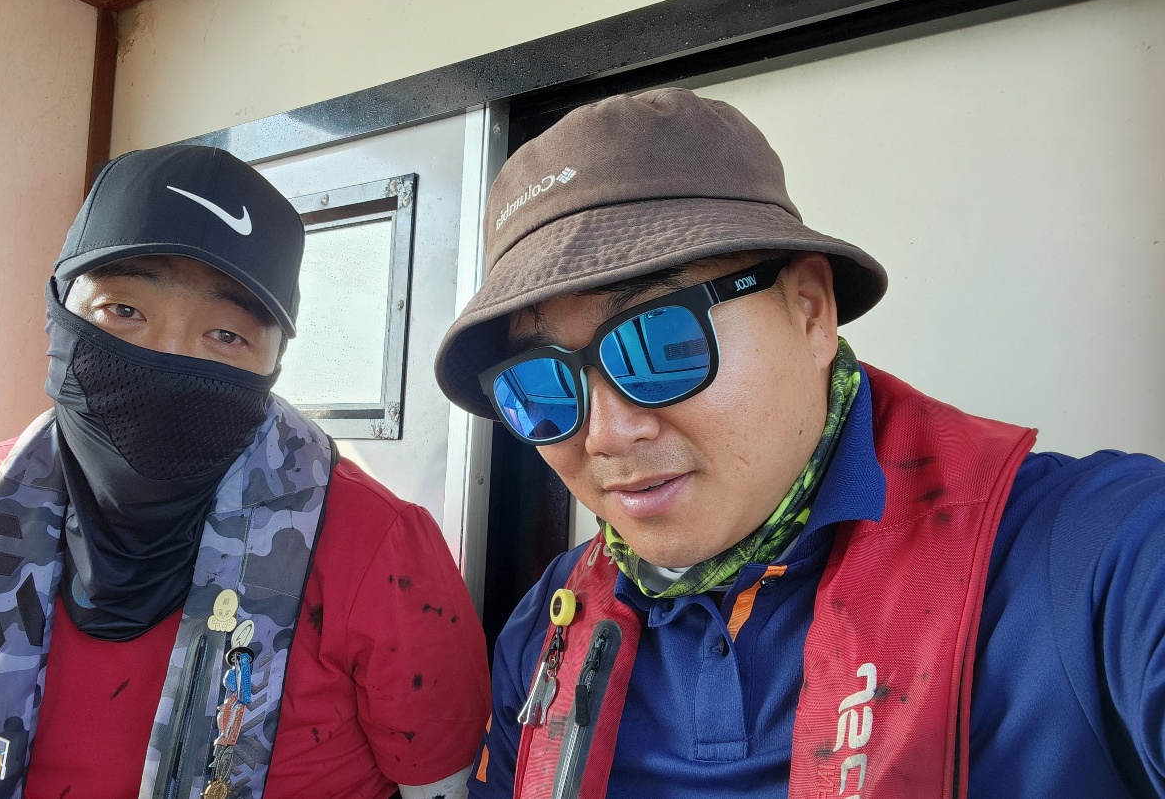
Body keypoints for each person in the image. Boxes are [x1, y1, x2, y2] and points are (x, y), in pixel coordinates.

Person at [433, 88, 1165, 798]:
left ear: (811, 311)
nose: (606, 433)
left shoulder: (1091, 561)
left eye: (661, 340)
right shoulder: (547, 625)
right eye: (539, 384)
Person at [0, 144, 489, 799]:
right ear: (58, 308)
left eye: (226, 335)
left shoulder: (380, 547)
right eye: (124, 311)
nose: (167, 358)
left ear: (274, 360)